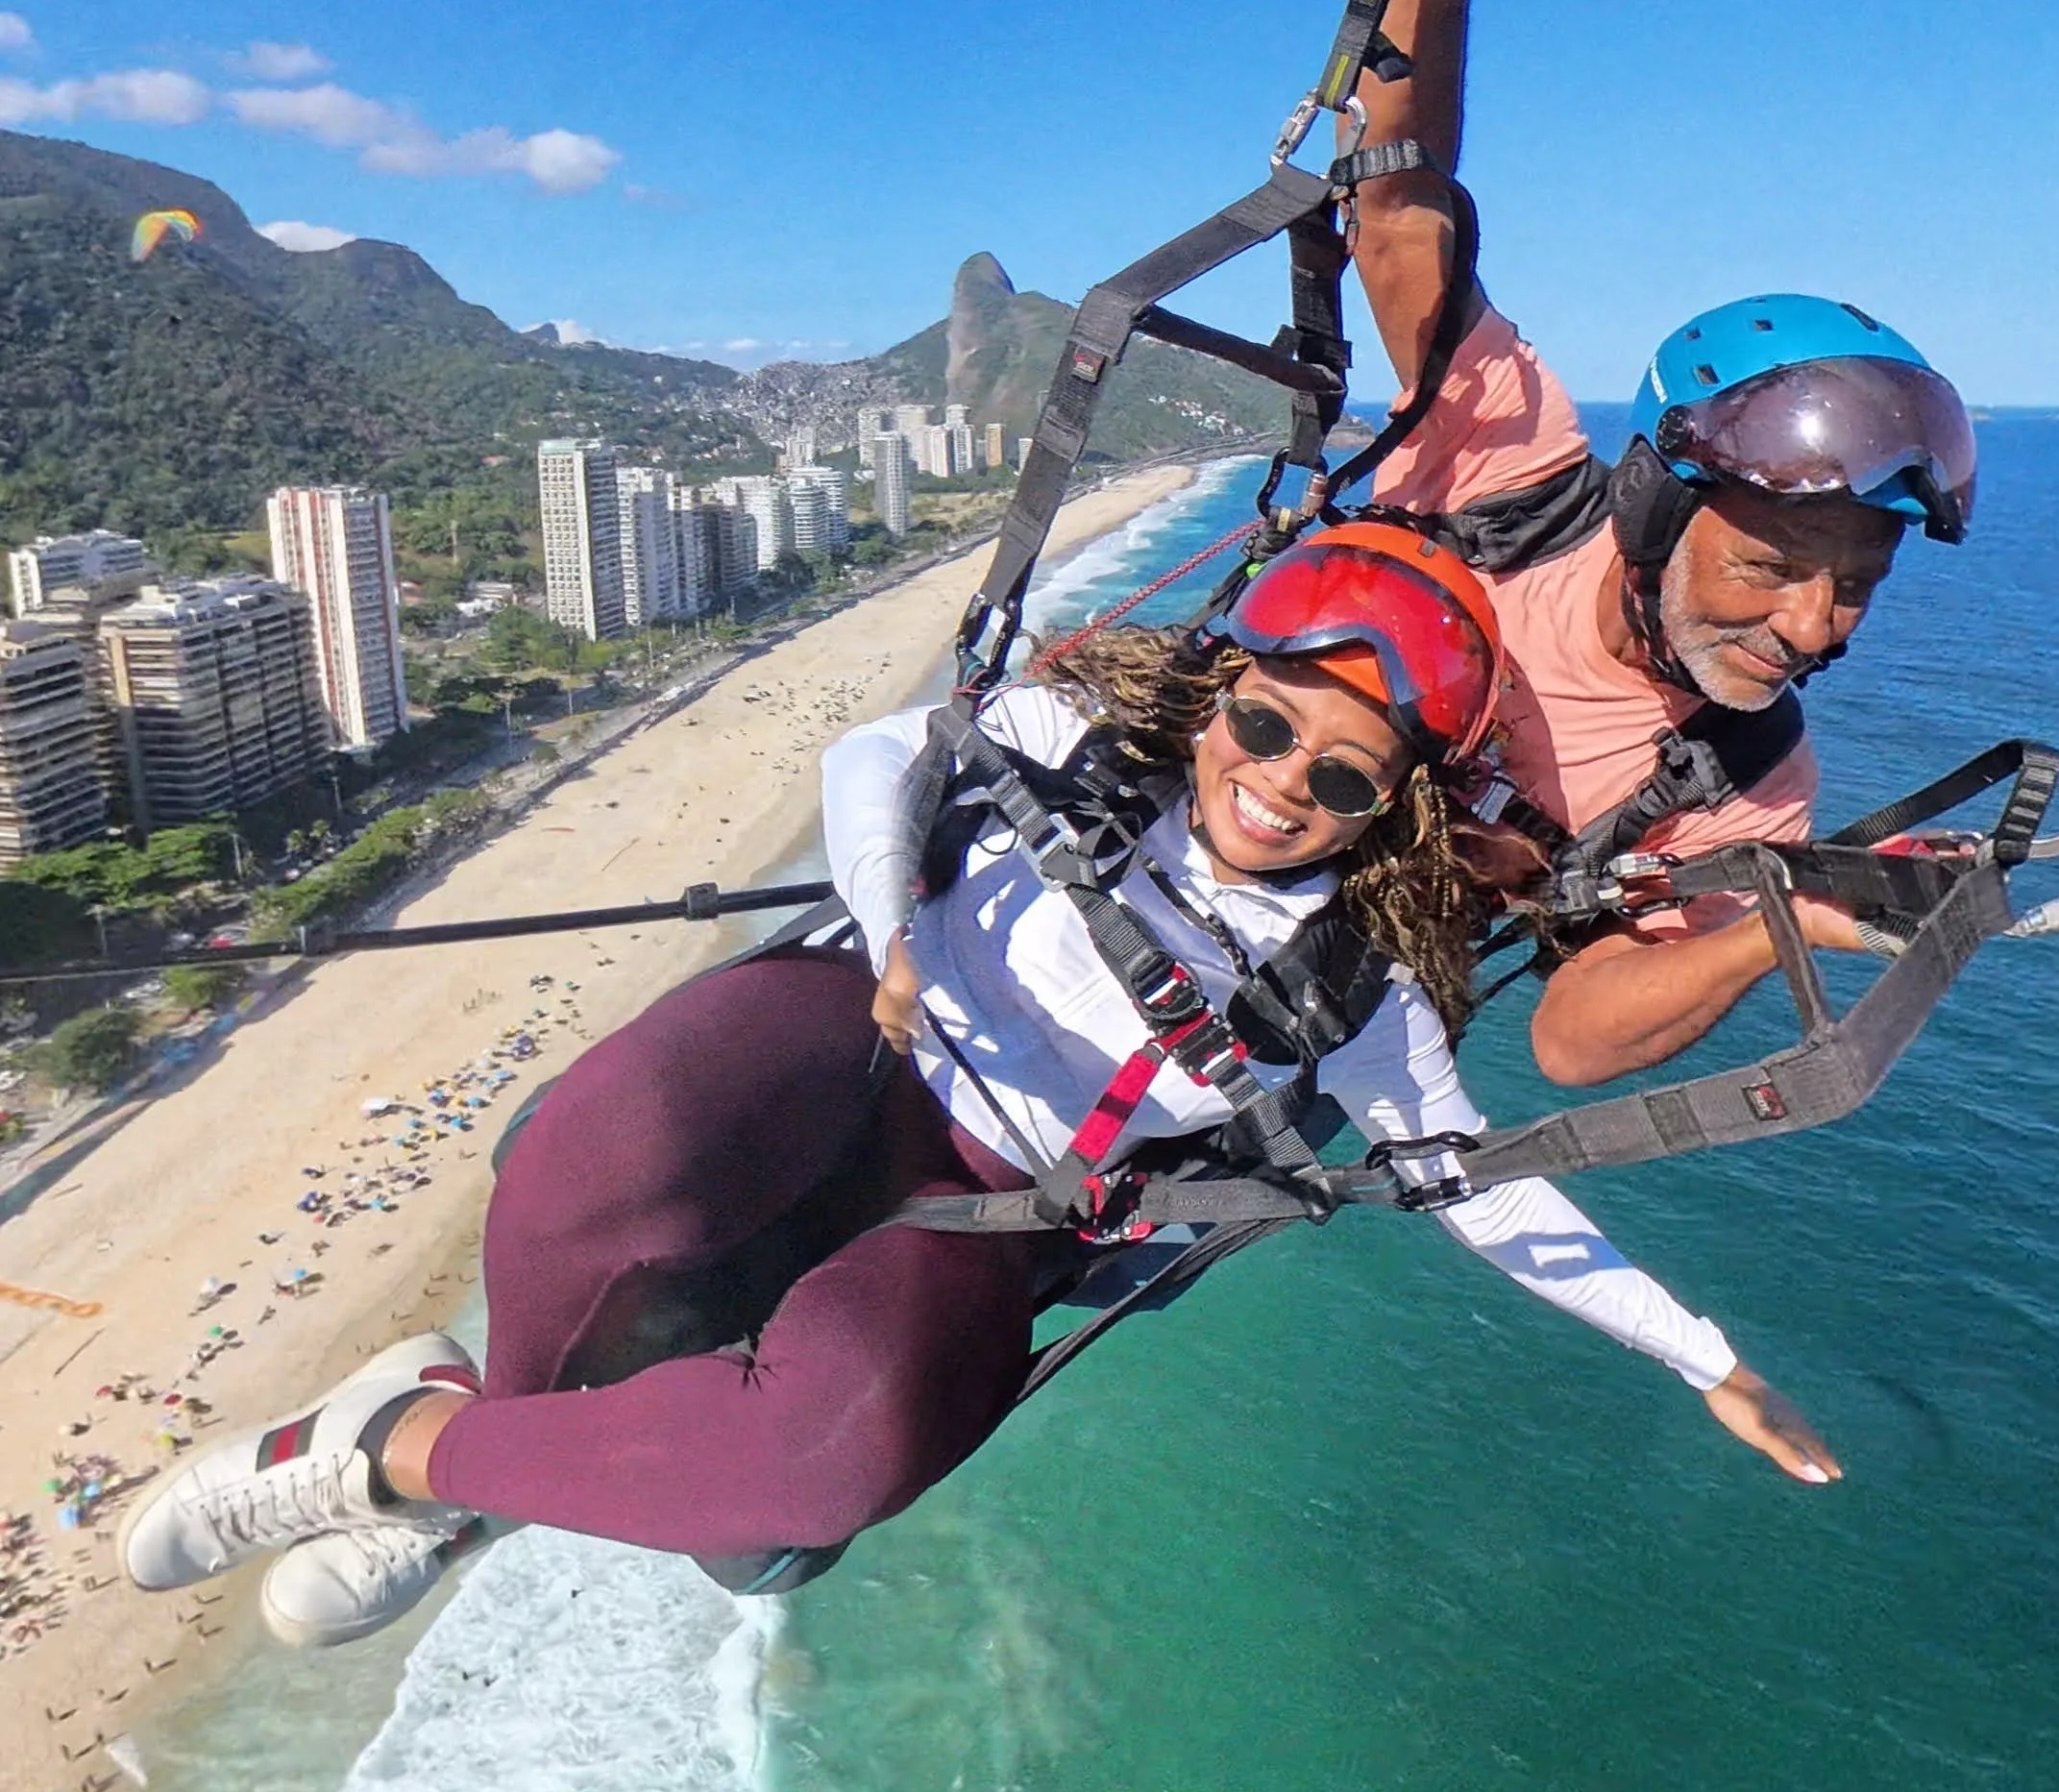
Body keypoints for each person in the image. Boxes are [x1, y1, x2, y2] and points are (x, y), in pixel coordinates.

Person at [120, 528, 1840, 1655]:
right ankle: (483, 1439)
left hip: (994, 1199)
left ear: (1388, 808)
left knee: (830, 1455)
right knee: (608, 1143)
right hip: (857, 1038)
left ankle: (406, 1456)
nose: (1279, 786)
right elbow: (878, 757)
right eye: (1262, 729)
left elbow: (1478, 1185)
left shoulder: (1359, 990)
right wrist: (891, 933)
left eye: (1340, 779)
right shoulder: (1077, 746)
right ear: (1218, 701)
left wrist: (1705, 1356)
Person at [1340, 0, 1976, 1091]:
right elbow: (1398, 192)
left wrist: (1785, 919)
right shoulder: (1506, 469)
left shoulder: (1745, 776)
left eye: (1856, 584)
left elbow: (1572, 1041)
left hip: (1269, 1029)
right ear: (1655, 504)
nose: (1812, 629)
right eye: (1771, 565)